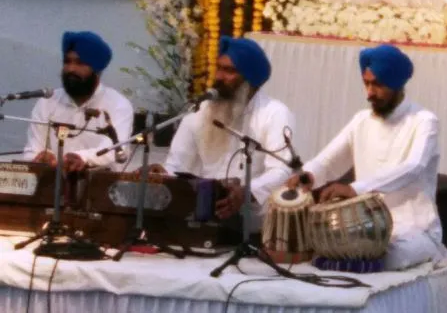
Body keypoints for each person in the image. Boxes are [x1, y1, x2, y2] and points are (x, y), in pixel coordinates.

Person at [289, 44, 446, 270]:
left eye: (378, 85)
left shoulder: (423, 120)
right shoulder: (361, 120)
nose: (369, 93)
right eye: (366, 83)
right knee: (323, 248)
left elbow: (414, 167)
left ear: (397, 85)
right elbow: (328, 161)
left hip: (414, 229)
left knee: (385, 257)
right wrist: (309, 175)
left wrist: (356, 189)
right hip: (365, 226)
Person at [157, 37, 295, 222]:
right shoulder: (201, 111)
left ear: (250, 80)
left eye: (229, 71)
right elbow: (176, 166)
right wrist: (160, 175)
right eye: (219, 68)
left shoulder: (275, 113)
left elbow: (281, 171)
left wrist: (247, 192)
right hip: (202, 215)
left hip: (253, 220)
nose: (219, 77)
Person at [23, 31, 134, 173]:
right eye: (67, 61)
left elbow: (114, 151)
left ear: (97, 70)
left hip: (98, 186)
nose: (71, 69)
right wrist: (39, 158)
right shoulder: (47, 102)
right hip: (50, 186)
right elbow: (31, 150)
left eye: (80, 63)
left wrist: (80, 158)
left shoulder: (118, 105)